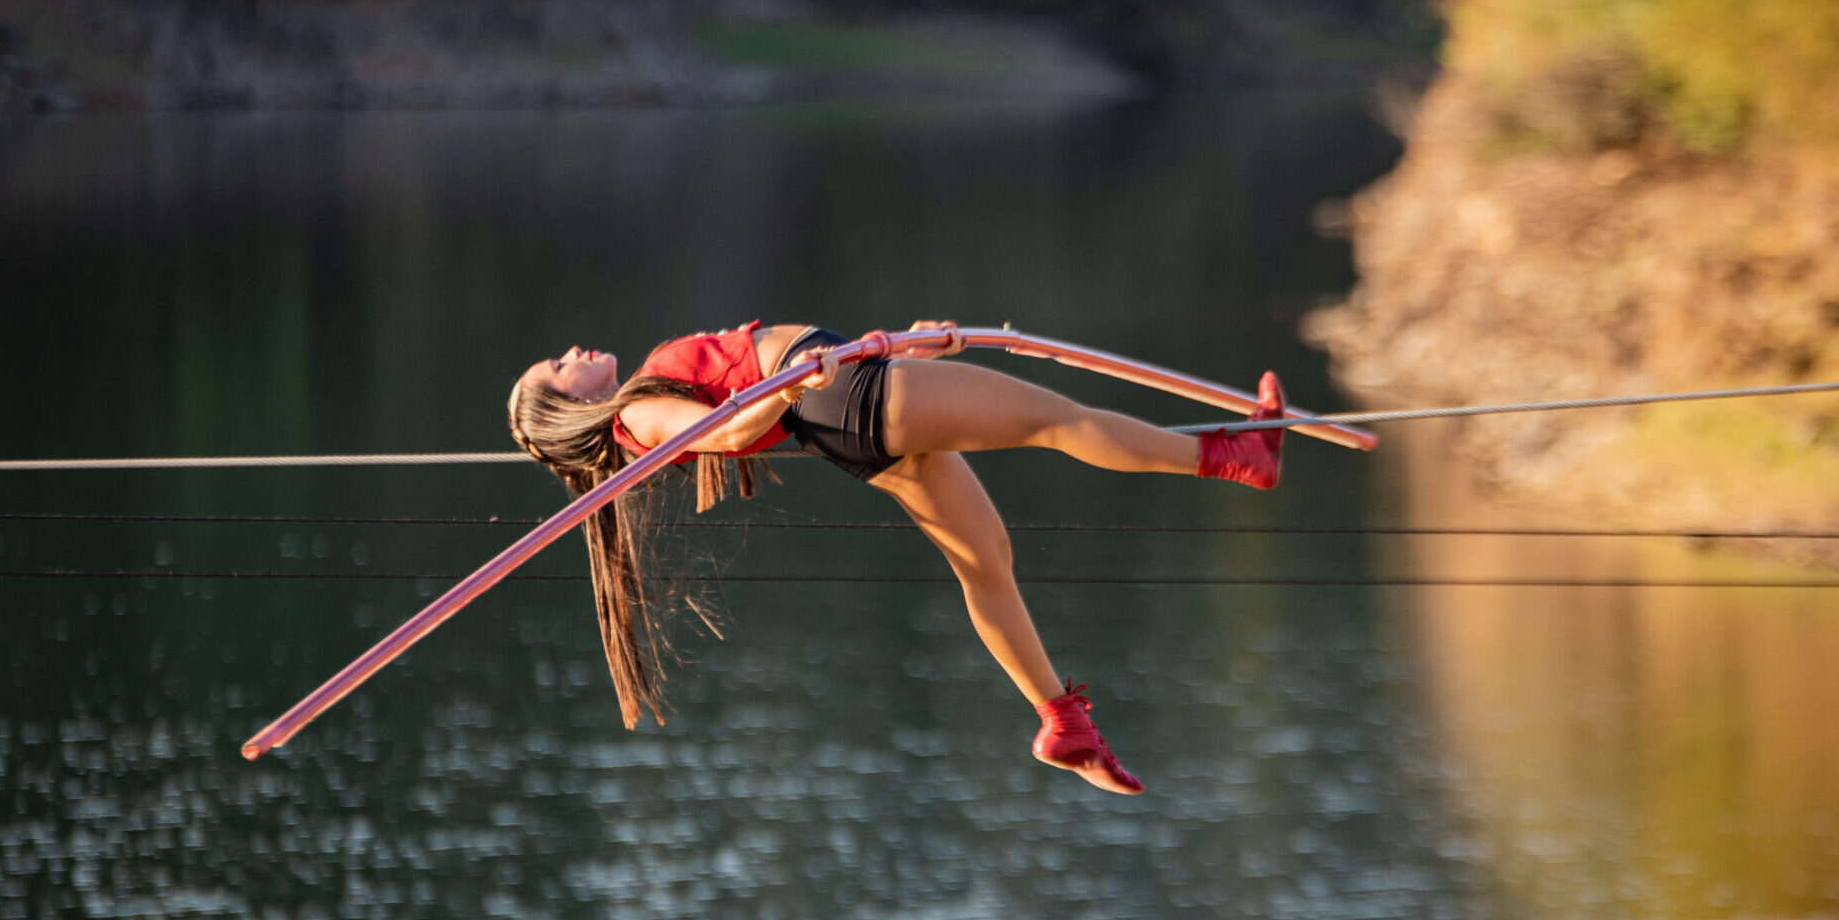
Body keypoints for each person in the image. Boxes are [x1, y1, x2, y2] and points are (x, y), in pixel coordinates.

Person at [506, 320, 1285, 795]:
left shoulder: (639, 397)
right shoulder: (637, 412)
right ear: (562, 404)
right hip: (837, 401)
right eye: (555, 367)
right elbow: (729, 433)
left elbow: (773, 394)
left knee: (985, 562)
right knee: (1057, 419)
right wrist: (797, 383)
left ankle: (1060, 720)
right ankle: (1234, 454)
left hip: (845, 402)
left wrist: (908, 351)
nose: (570, 353)